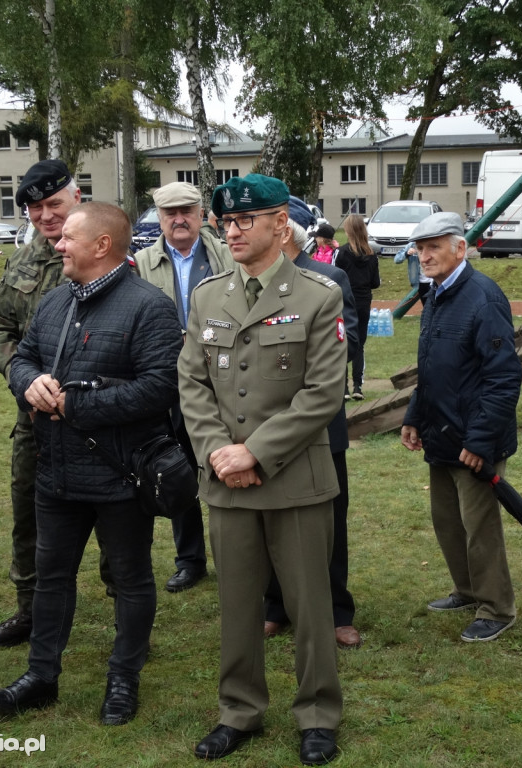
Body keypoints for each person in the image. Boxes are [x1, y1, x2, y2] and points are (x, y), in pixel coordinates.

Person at [0, 202, 183, 725]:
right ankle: (40, 677)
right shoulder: (54, 302)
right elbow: (22, 355)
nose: (57, 244)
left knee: (131, 579)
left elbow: (161, 386)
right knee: (52, 578)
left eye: (68, 236)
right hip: (56, 475)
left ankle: (123, 679)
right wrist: (28, 382)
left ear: (101, 246)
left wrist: (77, 405)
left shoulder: (149, 307)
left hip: (120, 476)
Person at [178, 174, 346, 765]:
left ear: (281, 223)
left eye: (246, 220)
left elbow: (324, 393)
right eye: (227, 221)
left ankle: (318, 713)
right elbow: (192, 382)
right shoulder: (207, 295)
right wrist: (220, 452)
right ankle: (239, 710)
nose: (234, 230)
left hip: (295, 481)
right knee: (237, 604)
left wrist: (255, 451)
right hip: (225, 481)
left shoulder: (319, 295)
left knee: (309, 606)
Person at [400, 211, 522, 643]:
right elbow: (431, 367)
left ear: (460, 248)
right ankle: (468, 590)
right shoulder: (435, 293)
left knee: (480, 527)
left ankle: (497, 607)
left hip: (473, 440)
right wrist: (415, 415)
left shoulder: (483, 297)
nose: (425, 255)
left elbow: (503, 376)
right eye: (420, 247)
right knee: (447, 521)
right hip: (441, 433)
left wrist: (481, 440)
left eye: (434, 246)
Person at [0, 159, 82, 649]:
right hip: (33, 419)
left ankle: (128, 616)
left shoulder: (106, 247)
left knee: (112, 519)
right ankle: (29, 611)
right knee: (28, 514)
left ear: (75, 196)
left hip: (94, 418)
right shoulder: (23, 260)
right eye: (35, 208)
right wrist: (21, 377)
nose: (45, 216)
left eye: (53, 204)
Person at [262, 197, 362, 649]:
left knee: (329, 522)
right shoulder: (250, 280)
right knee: (268, 517)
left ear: (285, 232)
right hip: (265, 425)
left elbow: (350, 339)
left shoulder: (330, 278)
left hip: (320, 426)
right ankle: (276, 604)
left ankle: (338, 610)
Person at [134, 180, 233, 594]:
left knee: (227, 465)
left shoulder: (226, 255)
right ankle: (189, 560)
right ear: (160, 218)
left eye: (186, 212)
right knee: (177, 471)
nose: (179, 220)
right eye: (170, 213)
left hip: (224, 379)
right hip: (167, 383)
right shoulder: (141, 263)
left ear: (199, 216)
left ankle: (235, 556)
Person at [333, 214, 379, 400]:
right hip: (363, 301)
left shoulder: (342, 253)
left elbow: (335, 277)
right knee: (359, 343)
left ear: (348, 231)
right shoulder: (372, 255)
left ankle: (343, 388)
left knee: (341, 341)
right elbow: (375, 282)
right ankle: (358, 386)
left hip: (345, 301)